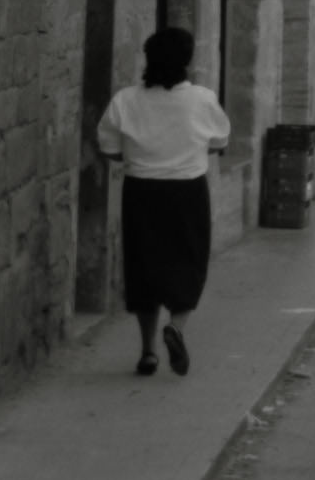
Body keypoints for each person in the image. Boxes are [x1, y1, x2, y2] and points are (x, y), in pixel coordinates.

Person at [97, 27, 229, 378]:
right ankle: (177, 327)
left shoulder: (126, 100)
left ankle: (148, 351)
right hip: (187, 190)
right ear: (187, 60)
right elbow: (218, 142)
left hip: (141, 191)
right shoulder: (202, 99)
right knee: (188, 260)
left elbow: (109, 149)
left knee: (144, 266)